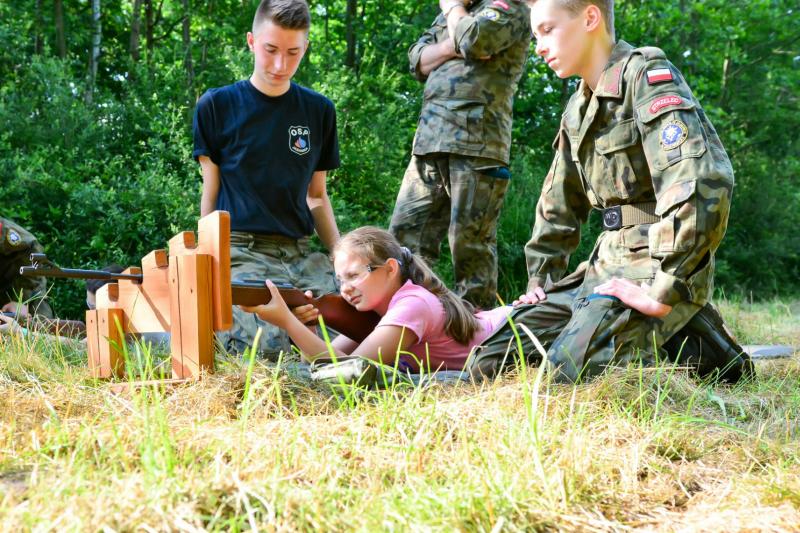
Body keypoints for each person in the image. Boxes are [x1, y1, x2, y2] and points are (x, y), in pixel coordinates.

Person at [469, 0, 751, 382]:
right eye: (535, 35)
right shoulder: (577, 108)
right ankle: (686, 334)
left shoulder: (645, 76)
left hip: (653, 264)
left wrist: (665, 289)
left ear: (590, 18)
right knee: (490, 360)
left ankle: (701, 343)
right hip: (603, 265)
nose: (539, 47)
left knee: (567, 373)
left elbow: (700, 180)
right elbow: (558, 204)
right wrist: (541, 281)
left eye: (547, 30)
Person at [193, 0, 341, 358]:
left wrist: (341, 257)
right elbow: (210, 192)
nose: (280, 65)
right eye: (270, 50)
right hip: (241, 251)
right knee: (264, 354)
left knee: (346, 338)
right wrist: (208, 263)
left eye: (293, 53)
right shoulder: (216, 106)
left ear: (306, 48)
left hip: (300, 253)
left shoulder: (319, 111)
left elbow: (317, 196)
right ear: (251, 41)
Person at [388, 0, 531, 310]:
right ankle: (406, 317)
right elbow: (416, 60)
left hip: (478, 143)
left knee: (469, 246)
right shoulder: (452, 14)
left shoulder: (509, 7)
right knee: (402, 240)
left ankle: (477, 330)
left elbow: (475, 40)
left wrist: (455, 14)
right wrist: (452, 44)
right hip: (429, 141)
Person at [241, 227, 512, 373]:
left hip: (514, 330)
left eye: (354, 276)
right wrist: (307, 325)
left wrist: (287, 322)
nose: (345, 289)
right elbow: (321, 364)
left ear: (390, 268)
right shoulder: (377, 310)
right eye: (340, 280)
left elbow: (352, 369)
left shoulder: (412, 305)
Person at [1, 216, 53, 319]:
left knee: (38, 322)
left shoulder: (3, 230)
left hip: (21, 282)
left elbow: (30, 248)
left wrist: (20, 301)